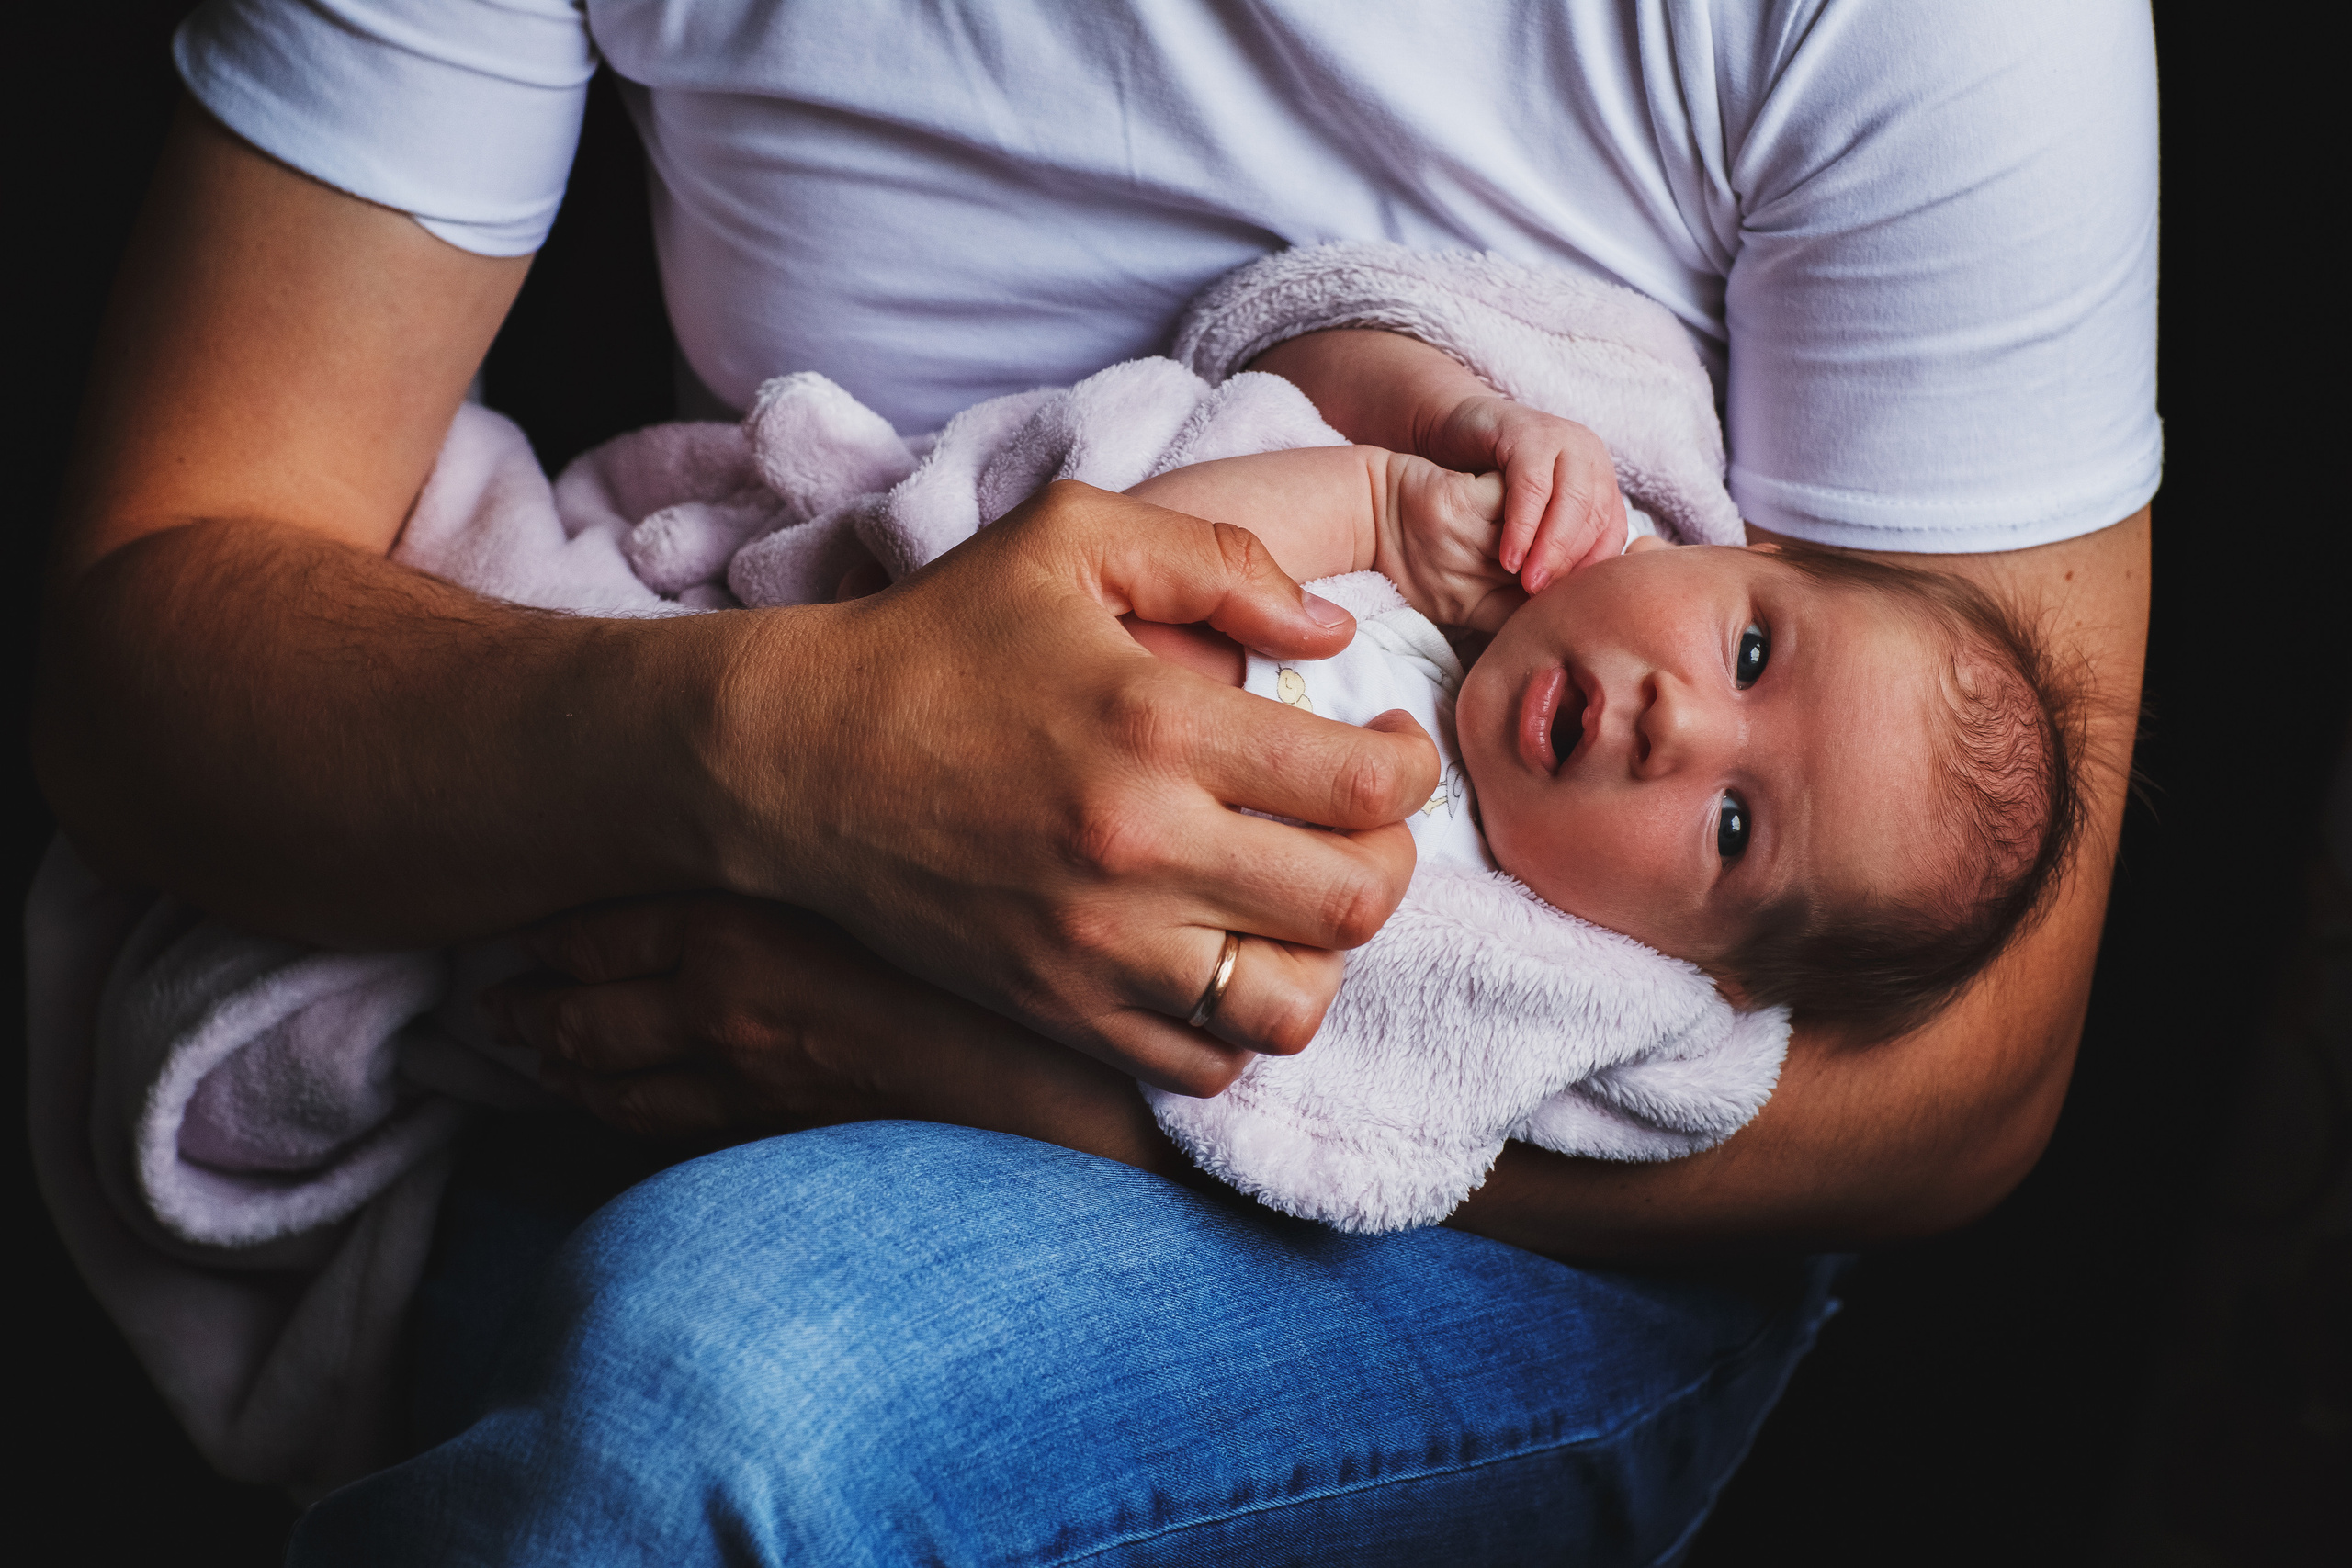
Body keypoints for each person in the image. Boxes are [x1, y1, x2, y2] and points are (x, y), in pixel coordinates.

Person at [34, 1, 2157, 1560]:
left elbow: (1967, 1055)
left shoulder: (1935, 35)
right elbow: (148, 631)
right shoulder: (1492, 509)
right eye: (1745, 652)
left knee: (715, 1385)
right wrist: (768, 743)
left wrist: (951, 1055)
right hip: (737, 843)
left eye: (1729, 800)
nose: (1690, 721)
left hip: (1492, 1214)